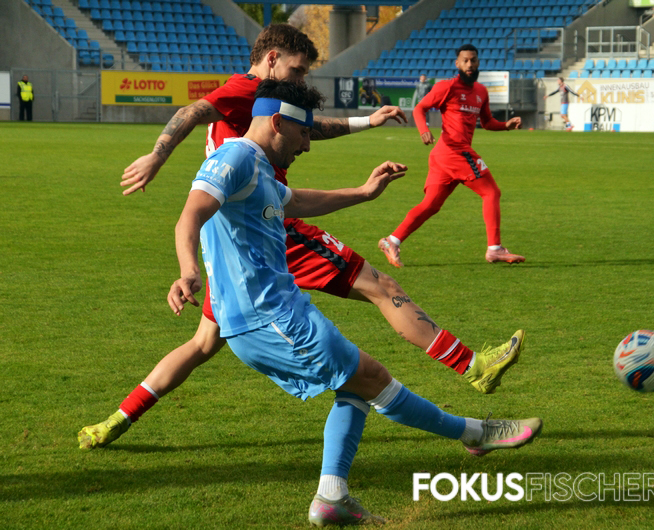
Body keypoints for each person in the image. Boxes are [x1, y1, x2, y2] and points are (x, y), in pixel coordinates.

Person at [79, 26, 522, 451]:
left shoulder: (265, 112)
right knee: (380, 291)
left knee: (203, 343)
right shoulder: (247, 94)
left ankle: (119, 417)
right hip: (268, 229)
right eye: (297, 70)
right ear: (272, 59)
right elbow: (193, 112)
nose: (301, 81)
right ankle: (473, 369)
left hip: (234, 238)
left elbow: (306, 132)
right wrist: (156, 157)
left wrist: (366, 126)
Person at [168, 79, 543, 525]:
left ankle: (332, 496)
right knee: (373, 379)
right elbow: (191, 214)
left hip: (276, 313)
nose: (307, 144)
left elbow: (296, 200)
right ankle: (478, 432)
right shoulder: (234, 158)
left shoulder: (259, 166)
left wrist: (363, 192)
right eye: (303, 133)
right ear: (277, 123)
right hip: (268, 318)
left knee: (356, 388)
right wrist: (188, 270)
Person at [379, 44, 526, 267]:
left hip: (444, 156)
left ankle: (392, 240)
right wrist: (424, 130)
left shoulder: (481, 92)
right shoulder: (446, 87)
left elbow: (487, 122)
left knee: (431, 205)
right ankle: (495, 249)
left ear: (478, 62)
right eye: (465, 60)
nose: (469, 64)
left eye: (473, 60)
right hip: (454, 151)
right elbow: (419, 108)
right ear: (457, 64)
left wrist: (506, 125)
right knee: (491, 192)